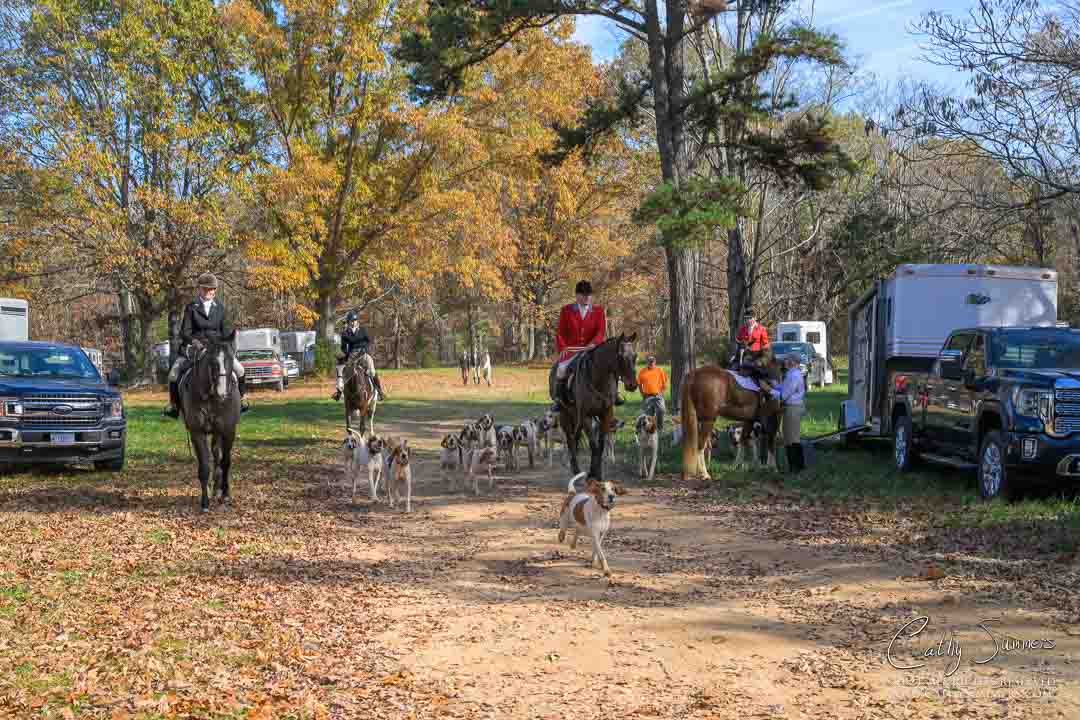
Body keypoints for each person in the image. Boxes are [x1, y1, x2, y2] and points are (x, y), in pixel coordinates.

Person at [163, 273, 248, 418]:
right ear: (200, 290)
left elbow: (224, 331)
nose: (210, 292)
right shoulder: (191, 307)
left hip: (216, 347)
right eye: (207, 289)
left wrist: (228, 340)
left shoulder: (220, 308)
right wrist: (194, 342)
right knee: (173, 373)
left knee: (240, 370)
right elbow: (185, 332)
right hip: (196, 346)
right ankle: (174, 406)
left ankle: (242, 400)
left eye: (213, 289)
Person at [550, 280, 608, 412]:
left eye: (589, 294)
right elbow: (560, 332)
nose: (587, 297)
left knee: (608, 367)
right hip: (572, 350)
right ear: (577, 296)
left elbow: (601, 331)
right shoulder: (566, 311)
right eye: (583, 294)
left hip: (592, 350)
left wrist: (593, 344)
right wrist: (563, 348)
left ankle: (612, 396)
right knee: (561, 369)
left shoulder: (599, 311)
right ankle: (559, 399)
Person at [762, 353, 806, 473]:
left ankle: (795, 468)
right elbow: (783, 388)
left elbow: (783, 395)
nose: (784, 362)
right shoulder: (792, 374)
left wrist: (768, 389)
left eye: (786, 360)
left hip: (792, 407)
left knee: (791, 438)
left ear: (793, 361)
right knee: (791, 437)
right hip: (792, 407)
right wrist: (773, 383)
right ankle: (798, 466)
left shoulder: (794, 376)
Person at [332, 311, 386, 402]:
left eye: (355, 320)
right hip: (352, 356)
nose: (353, 323)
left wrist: (365, 348)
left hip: (363, 354)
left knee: (372, 371)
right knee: (344, 372)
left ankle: (380, 391)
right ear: (348, 322)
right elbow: (343, 347)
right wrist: (347, 353)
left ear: (357, 321)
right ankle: (339, 392)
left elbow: (368, 341)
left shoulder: (363, 330)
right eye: (351, 321)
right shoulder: (345, 333)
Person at [636, 355, 667, 432]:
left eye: (652, 361)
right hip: (647, 396)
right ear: (647, 362)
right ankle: (651, 430)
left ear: (655, 362)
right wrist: (642, 393)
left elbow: (664, 384)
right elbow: (639, 384)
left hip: (657, 395)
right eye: (649, 362)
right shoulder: (642, 371)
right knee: (649, 415)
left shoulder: (659, 370)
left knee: (661, 410)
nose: (651, 363)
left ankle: (660, 428)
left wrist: (661, 393)